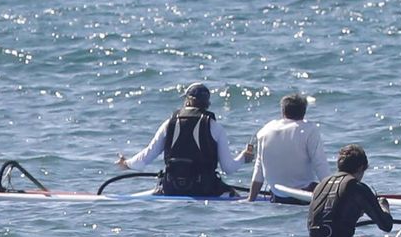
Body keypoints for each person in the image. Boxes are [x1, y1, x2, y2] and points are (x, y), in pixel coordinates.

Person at [117, 82, 251, 197]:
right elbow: (228, 168)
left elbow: (146, 157)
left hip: (172, 188)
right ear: (207, 104)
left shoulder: (169, 123)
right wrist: (244, 157)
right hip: (205, 190)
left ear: (188, 101)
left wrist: (127, 163)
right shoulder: (216, 128)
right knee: (233, 194)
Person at [306, 144, 401, 237]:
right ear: (360, 168)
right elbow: (386, 225)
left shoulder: (321, 186)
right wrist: (384, 205)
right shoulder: (357, 187)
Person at [246, 93, 326, 203]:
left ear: (283, 111)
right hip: (303, 196)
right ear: (304, 112)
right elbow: (320, 164)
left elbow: (258, 170)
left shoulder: (264, 131)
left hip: (277, 196)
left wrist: (251, 199)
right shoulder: (309, 129)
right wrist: (333, 194)